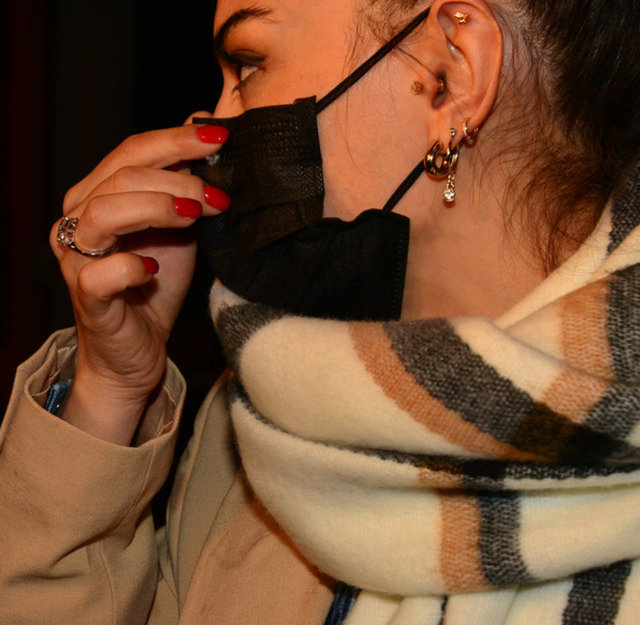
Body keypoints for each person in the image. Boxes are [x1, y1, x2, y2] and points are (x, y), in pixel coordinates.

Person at [1, 0, 640, 623]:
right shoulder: (260, 421)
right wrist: (111, 391)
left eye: (249, 64)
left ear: (451, 75)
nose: (213, 120)